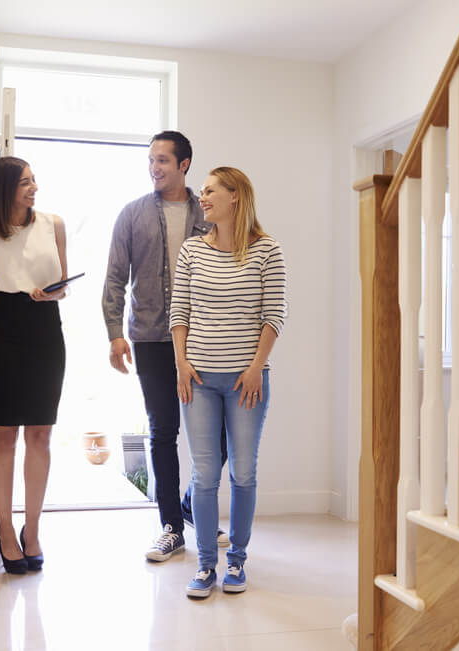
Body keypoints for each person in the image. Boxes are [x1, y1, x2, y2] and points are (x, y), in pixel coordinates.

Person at [102, 131, 228, 562]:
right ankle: (171, 526)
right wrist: (115, 333)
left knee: (219, 433)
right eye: (151, 160)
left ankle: (190, 502)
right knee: (162, 431)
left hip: (204, 337)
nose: (154, 168)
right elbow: (115, 278)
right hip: (152, 338)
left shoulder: (209, 214)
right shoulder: (132, 214)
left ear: (184, 164)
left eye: (163, 161)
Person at [169, 166, 287, 598]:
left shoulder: (267, 250)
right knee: (203, 475)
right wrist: (181, 364)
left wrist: (256, 368)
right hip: (197, 380)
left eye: (210, 190)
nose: (202, 198)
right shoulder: (192, 251)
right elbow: (179, 312)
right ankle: (205, 566)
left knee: (243, 472)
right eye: (202, 191)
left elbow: (274, 315)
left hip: (246, 383)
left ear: (235, 196)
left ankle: (236, 561)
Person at [0, 156, 68, 574]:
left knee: (40, 434)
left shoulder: (53, 224)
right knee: (3, 434)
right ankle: (6, 531)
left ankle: (33, 530)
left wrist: (51, 293)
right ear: (4, 189)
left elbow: (62, 288)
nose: (34, 188)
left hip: (45, 330)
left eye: (33, 180)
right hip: (2, 331)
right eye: (25, 182)